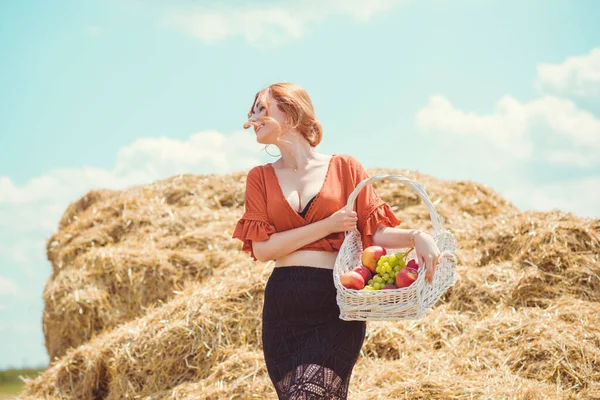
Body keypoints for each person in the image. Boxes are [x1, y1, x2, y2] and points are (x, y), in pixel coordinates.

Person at [232, 82, 441, 399]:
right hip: (282, 310)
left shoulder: (345, 167)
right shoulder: (258, 178)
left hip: (334, 305)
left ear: (290, 112)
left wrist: (417, 235)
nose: (253, 118)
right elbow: (263, 250)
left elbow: (376, 232)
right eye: (252, 111)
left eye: (262, 109)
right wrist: (327, 225)